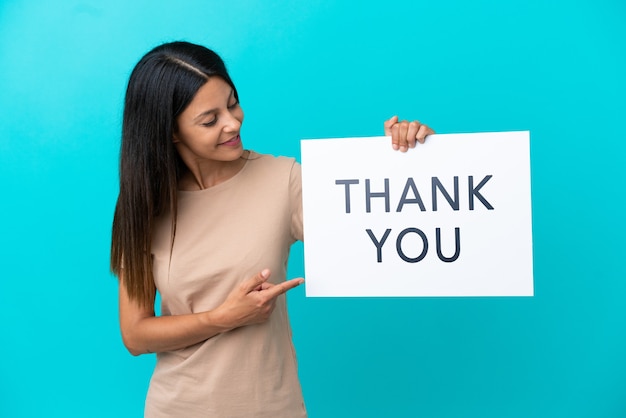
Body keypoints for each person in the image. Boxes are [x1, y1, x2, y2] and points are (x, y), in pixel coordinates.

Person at [110, 41, 434, 418]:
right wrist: (223, 317)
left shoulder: (285, 181)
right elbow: (135, 334)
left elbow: (379, 232)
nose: (233, 122)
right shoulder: (142, 207)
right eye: (209, 119)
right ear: (171, 132)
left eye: (232, 103)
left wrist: (406, 161)